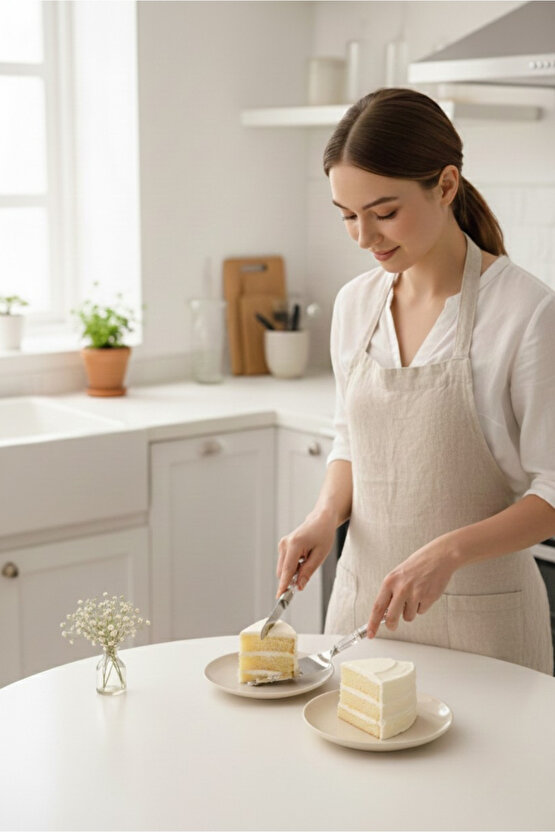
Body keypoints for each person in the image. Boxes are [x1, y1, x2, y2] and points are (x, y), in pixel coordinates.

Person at [276, 87, 555, 674]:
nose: (364, 237)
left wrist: (450, 551)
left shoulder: (526, 311)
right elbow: (350, 440)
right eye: (348, 216)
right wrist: (325, 515)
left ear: (446, 186)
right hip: (363, 615)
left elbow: (552, 491)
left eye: (384, 212)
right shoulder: (355, 305)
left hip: (487, 627)